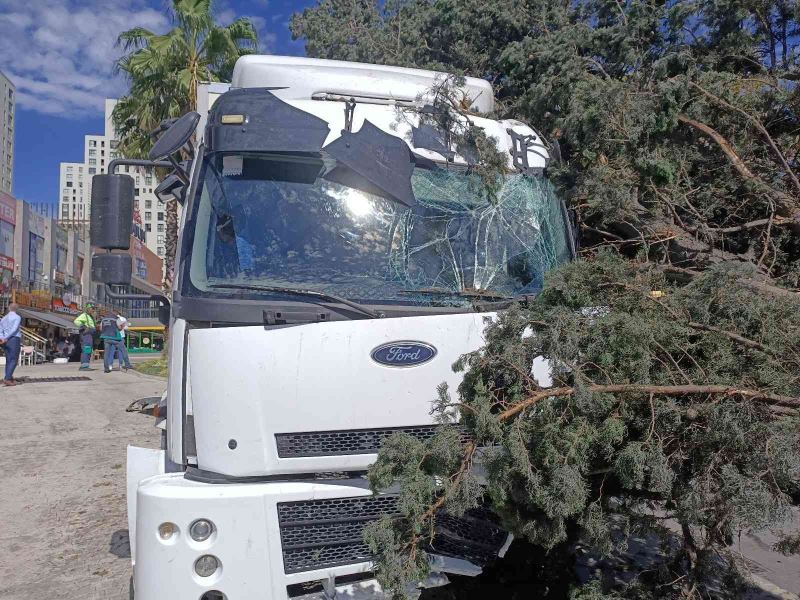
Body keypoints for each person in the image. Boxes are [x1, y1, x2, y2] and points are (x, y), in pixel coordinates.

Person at [0, 302, 22, 386]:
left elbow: (0, 329)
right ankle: (7, 379)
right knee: (14, 360)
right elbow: (14, 329)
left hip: (4, 341)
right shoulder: (17, 317)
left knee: (8, 360)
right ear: (17, 309)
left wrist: (2, 338)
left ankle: (9, 377)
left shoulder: (3, 318)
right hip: (13, 339)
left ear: (9, 308)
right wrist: (6, 337)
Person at [74, 303, 97, 370]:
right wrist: (83, 327)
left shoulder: (90, 316)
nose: (93, 310)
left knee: (88, 350)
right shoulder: (84, 315)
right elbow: (76, 321)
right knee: (86, 349)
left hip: (89, 335)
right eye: (92, 309)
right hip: (86, 335)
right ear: (88, 309)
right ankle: (83, 366)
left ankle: (86, 365)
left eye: (94, 309)